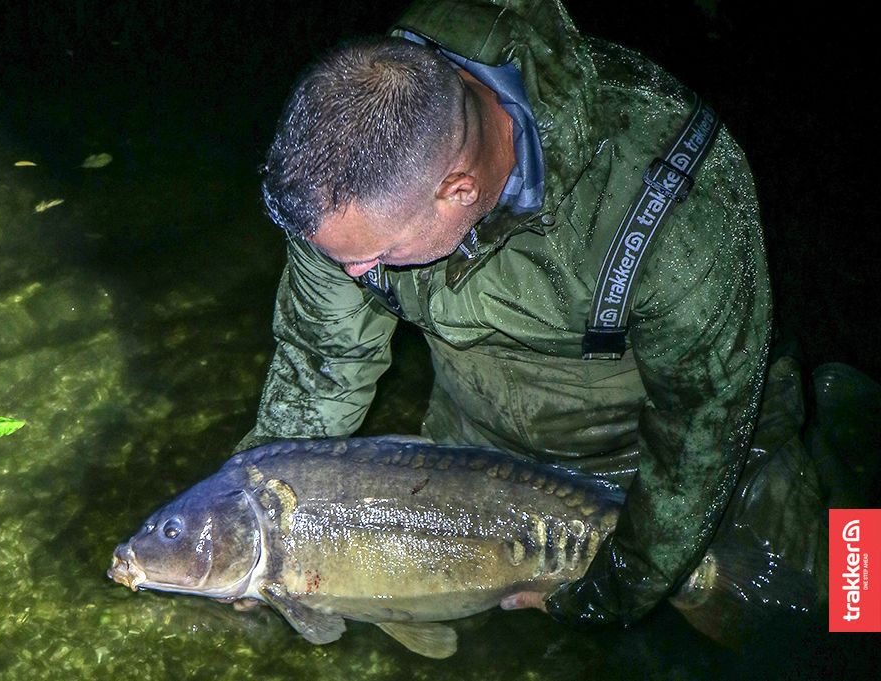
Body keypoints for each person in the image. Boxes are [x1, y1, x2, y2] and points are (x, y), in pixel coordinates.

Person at [238, 0, 827, 628]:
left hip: (684, 447)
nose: (354, 274)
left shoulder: (675, 201)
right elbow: (323, 357)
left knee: (841, 603)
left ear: (458, 190)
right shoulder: (348, 180)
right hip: (477, 453)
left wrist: (607, 595)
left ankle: (852, 449)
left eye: (376, 258)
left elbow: (699, 434)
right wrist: (255, 508)